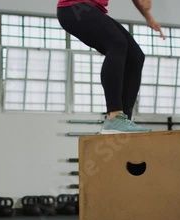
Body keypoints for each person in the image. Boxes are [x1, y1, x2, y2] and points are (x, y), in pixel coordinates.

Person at [57, 0, 165, 134]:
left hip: (92, 10)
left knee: (135, 57)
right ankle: (114, 116)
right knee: (117, 42)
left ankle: (123, 121)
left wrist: (149, 17)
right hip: (74, 7)